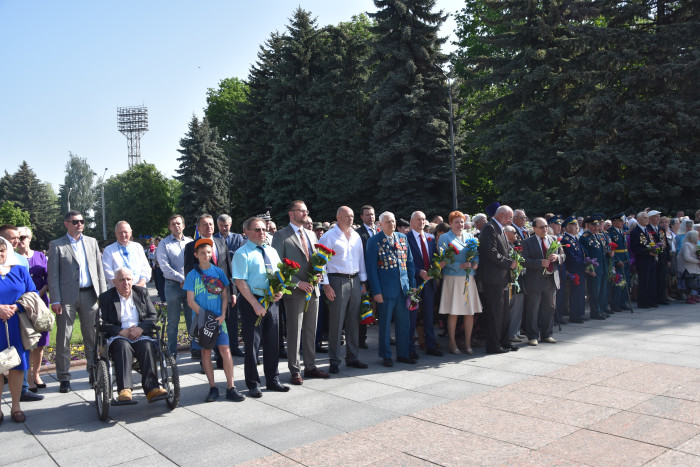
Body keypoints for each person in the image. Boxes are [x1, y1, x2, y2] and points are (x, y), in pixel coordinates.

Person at [48, 210, 107, 393]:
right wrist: (55, 299)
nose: (79, 224)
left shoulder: (91, 242)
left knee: (92, 337)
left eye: (82, 221)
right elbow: (53, 275)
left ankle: (93, 372)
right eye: (75, 222)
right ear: (66, 224)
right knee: (63, 338)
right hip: (66, 298)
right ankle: (64, 377)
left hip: (90, 295)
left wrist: (103, 296)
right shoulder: (57, 245)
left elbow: (99, 270)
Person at [272, 200, 330, 385]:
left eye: (306, 211)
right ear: (291, 213)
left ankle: (311, 366)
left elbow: (315, 260)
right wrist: (298, 283)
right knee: (294, 332)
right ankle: (295, 370)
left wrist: (319, 274)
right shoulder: (281, 235)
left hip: (313, 291)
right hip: (294, 292)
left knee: (311, 331)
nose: (305, 214)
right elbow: (278, 267)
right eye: (301, 211)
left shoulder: (312, 234)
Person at [233, 217, 289, 398]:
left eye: (264, 229)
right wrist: (255, 304)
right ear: (246, 232)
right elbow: (240, 282)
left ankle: (273, 380)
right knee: (252, 345)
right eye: (257, 230)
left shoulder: (271, 251)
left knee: (273, 343)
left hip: (272, 301)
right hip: (252, 303)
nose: (262, 233)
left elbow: (280, 274)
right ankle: (253, 383)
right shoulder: (242, 254)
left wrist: (280, 291)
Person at [184, 239, 245, 402]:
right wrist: (206, 316)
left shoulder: (218, 272)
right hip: (201, 320)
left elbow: (224, 294)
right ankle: (213, 387)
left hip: (219, 319)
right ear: (196, 255)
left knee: (225, 350)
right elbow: (190, 301)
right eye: (202, 253)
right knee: (206, 351)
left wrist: (223, 313)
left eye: (209, 252)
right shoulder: (192, 275)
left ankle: (231, 387)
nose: (206, 255)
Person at [98, 268, 169, 402]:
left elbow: (152, 316)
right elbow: (102, 323)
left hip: (140, 335)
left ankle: (152, 388)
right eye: (122, 280)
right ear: (114, 282)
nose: (126, 283)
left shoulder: (141, 292)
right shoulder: (106, 297)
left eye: (128, 279)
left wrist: (140, 329)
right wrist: (120, 331)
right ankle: (124, 390)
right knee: (123, 346)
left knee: (147, 346)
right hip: (119, 336)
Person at [318, 206, 369, 374]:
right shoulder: (328, 236)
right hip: (336, 280)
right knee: (336, 322)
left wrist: (363, 283)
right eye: (347, 216)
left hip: (354, 280)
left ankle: (352, 357)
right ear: (338, 217)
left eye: (352, 216)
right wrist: (326, 285)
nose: (351, 219)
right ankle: (334, 360)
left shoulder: (355, 236)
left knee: (353, 321)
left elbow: (360, 260)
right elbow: (321, 263)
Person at [365, 211, 416, 367]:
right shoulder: (374, 241)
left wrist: (412, 285)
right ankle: (386, 355)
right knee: (385, 324)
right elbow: (371, 269)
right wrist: (376, 291)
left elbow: (410, 263)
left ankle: (403, 354)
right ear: (380, 224)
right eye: (388, 222)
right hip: (385, 290)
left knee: (404, 323)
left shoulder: (402, 238)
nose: (392, 224)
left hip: (403, 288)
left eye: (393, 221)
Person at [0, 224, 43, 403]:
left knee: (17, 366)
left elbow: (32, 293)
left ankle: (16, 407)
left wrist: (16, 307)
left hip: (17, 325)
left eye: (2, 250)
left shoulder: (19, 270)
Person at [184, 214, 235, 363]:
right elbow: (188, 270)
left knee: (221, 323)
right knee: (205, 328)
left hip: (222, 294)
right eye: (205, 225)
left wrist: (233, 292)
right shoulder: (191, 247)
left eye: (211, 224)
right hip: (203, 295)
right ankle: (204, 361)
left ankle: (220, 359)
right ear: (198, 228)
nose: (209, 227)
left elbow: (228, 269)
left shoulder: (221, 242)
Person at [438, 211, 482, 355]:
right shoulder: (444, 237)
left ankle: (468, 343)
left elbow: (475, 254)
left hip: (468, 278)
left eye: (462, 222)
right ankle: (452, 343)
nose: (460, 225)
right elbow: (443, 258)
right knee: (454, 312)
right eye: (456, 222)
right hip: (453, 278)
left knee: (469, 312)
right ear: (450, 223)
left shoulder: (470, 236)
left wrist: (475, 263)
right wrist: (459, 266)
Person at [477, 205, 519, 354]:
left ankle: (504, 341)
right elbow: (490, 252)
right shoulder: (490, 228)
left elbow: (506, 249)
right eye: (510, 217)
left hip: (502, 277)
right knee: (496, 313)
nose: (511, 220)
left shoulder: (499, 228)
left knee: (504, 312)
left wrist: (515, 257)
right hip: (493, 278)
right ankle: (493, 345)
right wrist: (509, 263)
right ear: (501, 215)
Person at [16, 226, 50, 393]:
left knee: (40, 342)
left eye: (23, 237)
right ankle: (25, 378)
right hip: (20, 305)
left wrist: (37, 295)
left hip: (39, 303)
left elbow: (48, 278)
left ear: (30, 238)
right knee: (24, 341)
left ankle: (35, 375)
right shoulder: (12, 258)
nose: (20, 240)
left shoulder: (40, 256)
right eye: (18, 237)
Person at [521, 217, 565, 346]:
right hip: (535, 280)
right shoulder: (527, 242)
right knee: (533, 309)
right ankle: (532, 336)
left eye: (546, 226)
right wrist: (540, 263)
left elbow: (563, 255)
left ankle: (547, 334)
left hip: (551, 279)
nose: (545, 229)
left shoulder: (554, 240)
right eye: (541, 227)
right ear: (534, 228)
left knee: (549, 308)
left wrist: (557, 257)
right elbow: (523, 260)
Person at [155, 214, 193, 358]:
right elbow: (164, 267)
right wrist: (182, 278)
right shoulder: (164, 244)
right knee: (172, 321)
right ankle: (171, 352)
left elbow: (196, 263)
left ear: (183, 225)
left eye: (178, 223)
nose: (176, 226)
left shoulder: (190, 242)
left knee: (192, 320)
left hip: (190, 287)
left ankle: (195, 349)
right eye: (173, 224)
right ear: (169, 227)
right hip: (173, 286)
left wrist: (189, 280)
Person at [405, 211, 443, 357]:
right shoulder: (405, 238)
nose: (421, 222)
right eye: (418, 220)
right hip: (414, 284)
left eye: (423, 220)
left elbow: (433, 258)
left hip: (429, 283)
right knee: (412, 316)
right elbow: (404, 262)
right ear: (411, 221)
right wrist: (419, 271)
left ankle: (430, 345)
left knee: (429, 315)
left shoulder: (430, 238)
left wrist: (437, 266)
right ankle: (410, 348)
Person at [214, 214, 246, 358]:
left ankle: (234, 347)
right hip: (216, 283)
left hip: (234, 281)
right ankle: (218, 350)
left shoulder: (238, 238)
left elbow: (240, 256)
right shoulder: (214, 239)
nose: (224, 228)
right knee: (218, 317)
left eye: (226, 225)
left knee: (233, 318)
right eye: (221, 225)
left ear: (231, 225)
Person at [102, 221, 151, 288]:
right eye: (120, 232)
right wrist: (124, 288)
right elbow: (108, 273)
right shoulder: (109, 250)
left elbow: (146, 268)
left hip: (139, 290)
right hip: (118, 292)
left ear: (130, 233)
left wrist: (140, 284)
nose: (123, 235)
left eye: (125, 232)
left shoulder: (138, 247)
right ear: (116, 234)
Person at [355, 205, 376, 349]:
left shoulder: (379, 231)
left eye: (373, 214)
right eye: (367, 215)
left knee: (381, 307)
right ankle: (361, 339)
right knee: (363, 306)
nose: (371, 217)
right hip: (365, 276)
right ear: (362, 217)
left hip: (380, 275)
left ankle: (386, 336)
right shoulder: (358, 233)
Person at [580, 217, 608, 319]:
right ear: (588, 226)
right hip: (594, 269)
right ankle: (595, 312)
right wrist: (590, 269)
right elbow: (586, 255)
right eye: (593, 225)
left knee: (602, 291)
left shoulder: (599, 236)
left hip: (603, 267)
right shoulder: (585, 237)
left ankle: (600, 310)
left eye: (597, 225)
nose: (596, 227)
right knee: (594, 292)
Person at [630, 211, 658, 308]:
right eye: (645, 218)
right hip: (643, 260)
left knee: (652, 281)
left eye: (647, 218)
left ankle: (651, 300)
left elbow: (653, 242)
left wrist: (656, 249)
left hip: (651, 259)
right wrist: (647, 252)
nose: (647, 220)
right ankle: (643, 302)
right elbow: (635, 247)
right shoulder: (635, 232)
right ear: (639, 220)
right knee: (644, 282)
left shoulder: (648, 230)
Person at [561, 216, 587, 323]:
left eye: (577, 225)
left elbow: (582, 253)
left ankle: (579, 313)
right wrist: (584, 264)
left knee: (580, 293)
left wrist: (588, 262)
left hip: (580, 269)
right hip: (574, 270)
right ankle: (574, 315)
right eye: (574, 225)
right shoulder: (566, 240)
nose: (577, 227)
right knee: (575, 294)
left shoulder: (574, 238)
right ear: (567, 227)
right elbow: (571, 257)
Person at [608, 213, 631, 311]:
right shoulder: (610, 232)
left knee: (625, 282)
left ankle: (623, 302)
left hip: (625, 258)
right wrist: (617, 260)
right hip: (618, 260)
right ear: (614, 222)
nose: (622, 223)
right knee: (618, 283)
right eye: (620, 221)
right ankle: (615, 303)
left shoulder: (622, 231)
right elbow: (611, 248)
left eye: (622, 221)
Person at [647, 210, 671, 304]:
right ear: (651, 218)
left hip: (663, 257)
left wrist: (668, 259)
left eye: (658, 216)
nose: (658, 218)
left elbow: (666, 245)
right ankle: (654, 298)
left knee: (662, 278)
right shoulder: (648, 229)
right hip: (653, 257)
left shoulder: (661, 229)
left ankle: (662, 297)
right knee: (654, 279)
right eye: (656, 216)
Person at [678, 230, 700, 303]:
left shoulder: (695, 245)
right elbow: (686, 257)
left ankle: (694, 296)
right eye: (697, 236)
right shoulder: (686, 244)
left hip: (694, 267)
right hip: (687, 268)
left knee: (695, 283)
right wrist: (698, 261)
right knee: (689, 283)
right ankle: (689, 297)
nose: (698, 237)